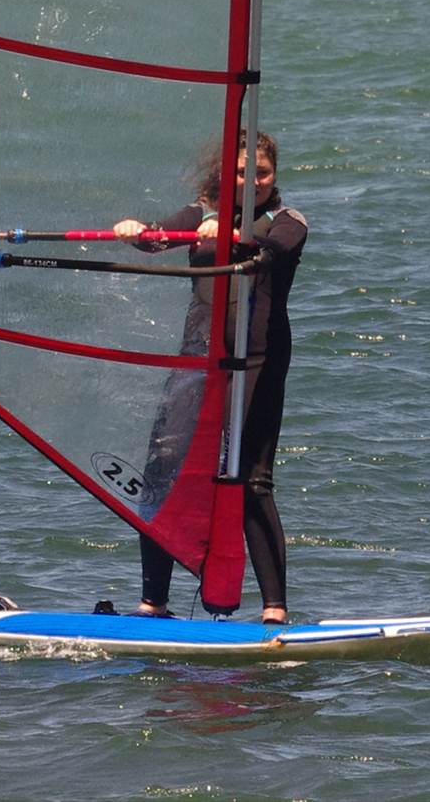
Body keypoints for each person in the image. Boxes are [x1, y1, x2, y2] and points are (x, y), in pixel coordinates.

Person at [114, 131, 307, 622]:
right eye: (243, 173)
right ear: (225, 174)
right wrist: (138, 231)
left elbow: (271, 250)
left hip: (259, 361)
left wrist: (230, 234)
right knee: (162, 471)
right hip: (199, 357)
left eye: (262, 173)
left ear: (274, 176)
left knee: (251, 481)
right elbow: (157, 238)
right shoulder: (200, 213)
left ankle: (275, 610)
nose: (253, 181)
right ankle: (153, 603)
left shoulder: (287, 221)